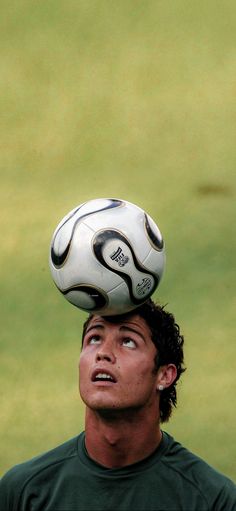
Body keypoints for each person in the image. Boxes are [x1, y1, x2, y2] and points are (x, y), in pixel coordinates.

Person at [0, 299, 235, 510]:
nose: (103, 353)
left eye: (128, 341)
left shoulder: (212, 500)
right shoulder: (22, 492)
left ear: (164, 375)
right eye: (94, 338)